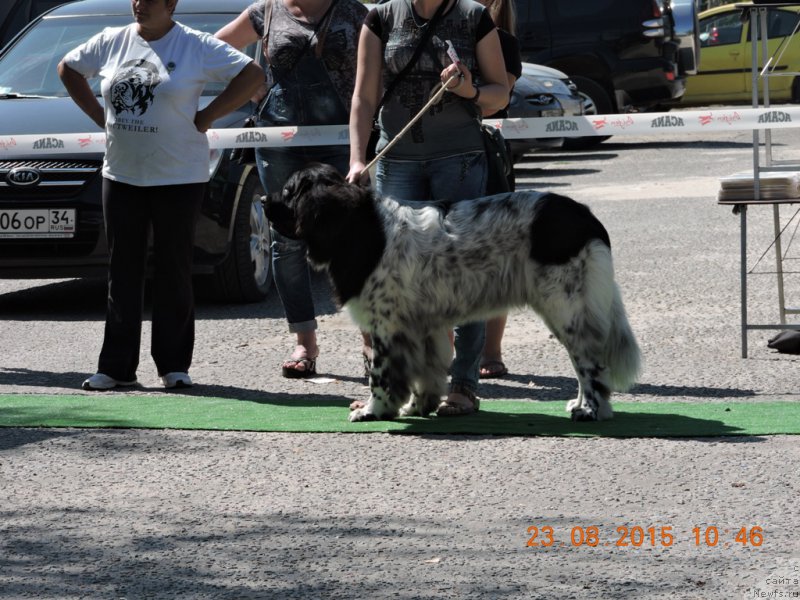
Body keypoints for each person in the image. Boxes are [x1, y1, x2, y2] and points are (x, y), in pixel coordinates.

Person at [60, 0, 264, 391]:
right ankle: (116, 367)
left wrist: (208, 116)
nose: (139, 5)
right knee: (122, 270)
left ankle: (173, 366)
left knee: (173, 269)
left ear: (171, 4)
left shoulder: (195, 45)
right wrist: (98, 117)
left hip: (178, 177)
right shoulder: (111, 40)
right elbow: (67, 69)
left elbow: (251, 74)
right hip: (122, 175)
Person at [347, 0, 509, 416]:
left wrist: (468, 90)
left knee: (465, 276)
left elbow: (499, 94)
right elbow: (364, 98)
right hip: (396, 165)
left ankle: (464, 387)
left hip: (461, 163)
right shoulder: (380, 17)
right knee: (396, 288)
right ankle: (398, 388)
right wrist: (356, 159)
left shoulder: (474, 17)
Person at [215, 0, 367, 379]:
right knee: (287, 241)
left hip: (340, 136)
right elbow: (216, 48)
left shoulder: (354, 11)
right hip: (278, 140)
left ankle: (372, 342)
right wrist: (257, 89)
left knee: (351, 241)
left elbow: (378, 63)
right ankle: (304, 342)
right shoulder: (265, 11)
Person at [477, 0, 521, 380]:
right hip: (441, 152)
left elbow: (494, 106)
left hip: (490, 160)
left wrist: (462, 89)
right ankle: (457, 354)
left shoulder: (503, 42)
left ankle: (491, 351)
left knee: (495, 263)